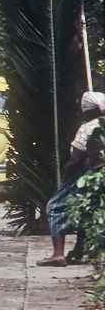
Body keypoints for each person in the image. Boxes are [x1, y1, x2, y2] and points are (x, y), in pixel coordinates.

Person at [37, 91, 105, 267]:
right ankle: (79, 250)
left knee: (55, 207)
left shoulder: (87, 128)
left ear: (87, 110)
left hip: (89, 175)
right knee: (87, 210)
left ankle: (57, 254)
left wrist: (66, 179)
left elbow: (76, 159)